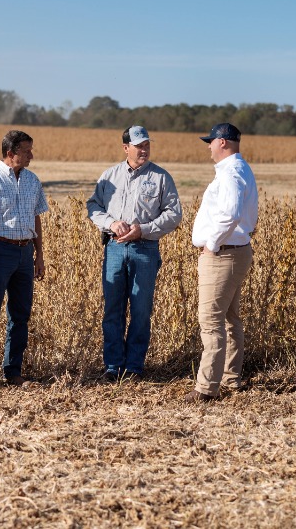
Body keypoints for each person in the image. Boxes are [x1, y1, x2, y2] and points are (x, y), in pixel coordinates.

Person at [86, 125, 182, 381]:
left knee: (141, 310)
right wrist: (111, 223)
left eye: (147, 144)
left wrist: (144, 229)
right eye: (139, 145)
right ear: (125, 148)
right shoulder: (110, 176)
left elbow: (174, 214)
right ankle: (113, 366)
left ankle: (134, 368)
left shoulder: (161, 177)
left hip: (145, 249)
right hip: (115, 248)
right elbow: (93, 206)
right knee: (113, 310)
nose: (144, 149)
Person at [185, 123, 259, 403]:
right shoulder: (241, 169)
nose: (208, 146)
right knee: (229, 319)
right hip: (235, 250)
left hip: (223, 254)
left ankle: (206, 388)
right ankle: (230, 377)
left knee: (210, 320)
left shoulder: (230, 173)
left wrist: (211, 245)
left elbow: (230, 213)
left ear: (223, 142)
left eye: (211, 141)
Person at [0, 130, 49, 386]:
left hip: (25, 253)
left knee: (20, 314)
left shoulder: (32, 181)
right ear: (10, 153)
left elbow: (36, 218)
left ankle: (13, 372)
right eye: (26, 151)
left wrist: (39, 256)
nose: (31, 156)